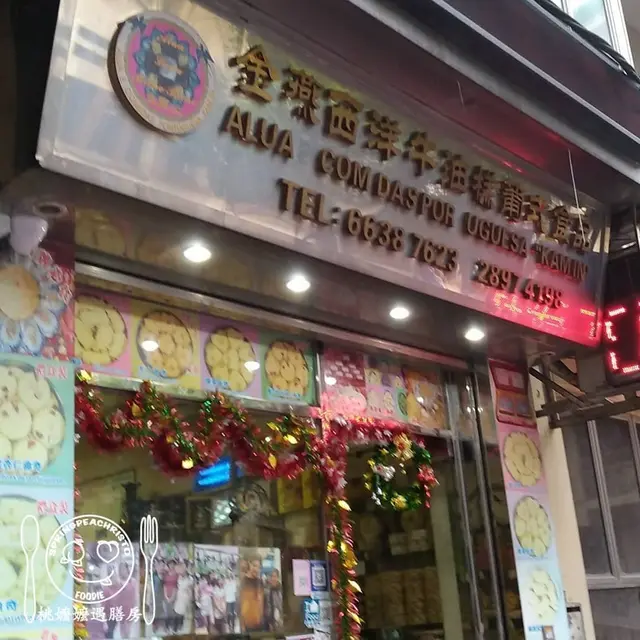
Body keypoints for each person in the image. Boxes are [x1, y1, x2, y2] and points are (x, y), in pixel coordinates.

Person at [173, 561, 193, 633]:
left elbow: (190, 590)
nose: (182, 569)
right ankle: (175, 627)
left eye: (184, 567)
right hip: (178, 596)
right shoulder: (178, 576)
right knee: (176, 612)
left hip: (184, 597)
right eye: (182, 567)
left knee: (181, 612)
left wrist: (190, 599)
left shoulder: (190, 579)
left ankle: (179, 625)